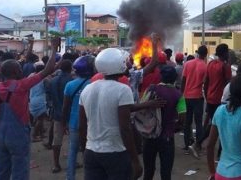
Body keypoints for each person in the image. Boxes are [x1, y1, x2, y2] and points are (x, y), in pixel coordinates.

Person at [79, 47, 162, 180]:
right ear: (119, 65)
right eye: (124, 61)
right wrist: (135, 160)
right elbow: (125, 128)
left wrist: (84, 151)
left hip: (91, 152)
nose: (127, 63)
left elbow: (82, 126)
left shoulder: (87, 89)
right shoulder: (122, 90)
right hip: (115, 152)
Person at [0, 37, 60, 180]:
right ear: (16, 72)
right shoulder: (21, 86)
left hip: (0, 136)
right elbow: (47, 70)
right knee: (20, 170)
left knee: (0, 171)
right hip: (18, 135)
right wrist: (54, 48)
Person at [206, 74, 241, 180]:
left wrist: (212, 173)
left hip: (220, 173)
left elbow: (209, 146)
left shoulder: (219, 110)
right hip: (240, 173)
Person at [142, 65, 184, 180]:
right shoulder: (178, 95)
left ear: (161, 77)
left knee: (148, 170)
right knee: (166, 172)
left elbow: (142, 106)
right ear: (175, 78)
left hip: (150, 135)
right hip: (167, 137)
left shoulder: (151, 89)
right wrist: (176, 126)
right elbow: (182, 117)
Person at [192, 44, 232, 158]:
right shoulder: (225, 66)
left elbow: (206, 82)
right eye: (227, 52)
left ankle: (201, 144)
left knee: (214, 123)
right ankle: (201, 145)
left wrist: (207, 95)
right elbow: (228, 84)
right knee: (220, 125)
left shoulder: (210, 64)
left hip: (210, 99)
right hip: (221, 100)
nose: (228, 54)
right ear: (224, 54)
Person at [62, 55, 95, 180]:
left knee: (72, 151)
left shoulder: (70, 85)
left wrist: (64, 123)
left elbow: (65, 107)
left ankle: (70, 177)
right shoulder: (94, 84)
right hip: (90, 124)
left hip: (74, 123)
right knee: (87, 152)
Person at [181, 45, 208, 153]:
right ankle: (198, 144)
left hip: (187, 96)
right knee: (198, 122)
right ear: (205, 55)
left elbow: (183, 80)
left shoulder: (187, 64)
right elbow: (205, 84)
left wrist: (181, 94)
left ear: (197, 53)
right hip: (198, 97)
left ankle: (187, 144)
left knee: (187, 122)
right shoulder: (205, 66)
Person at [48, 59, 74, 173]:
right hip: (70, 115)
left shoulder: (52, 81)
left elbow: (48, 97)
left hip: (57, 114)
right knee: (73, 140)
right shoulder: (71, 81)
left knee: (57, 140)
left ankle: (55, 164)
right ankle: (72, 161)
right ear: (70, 68)